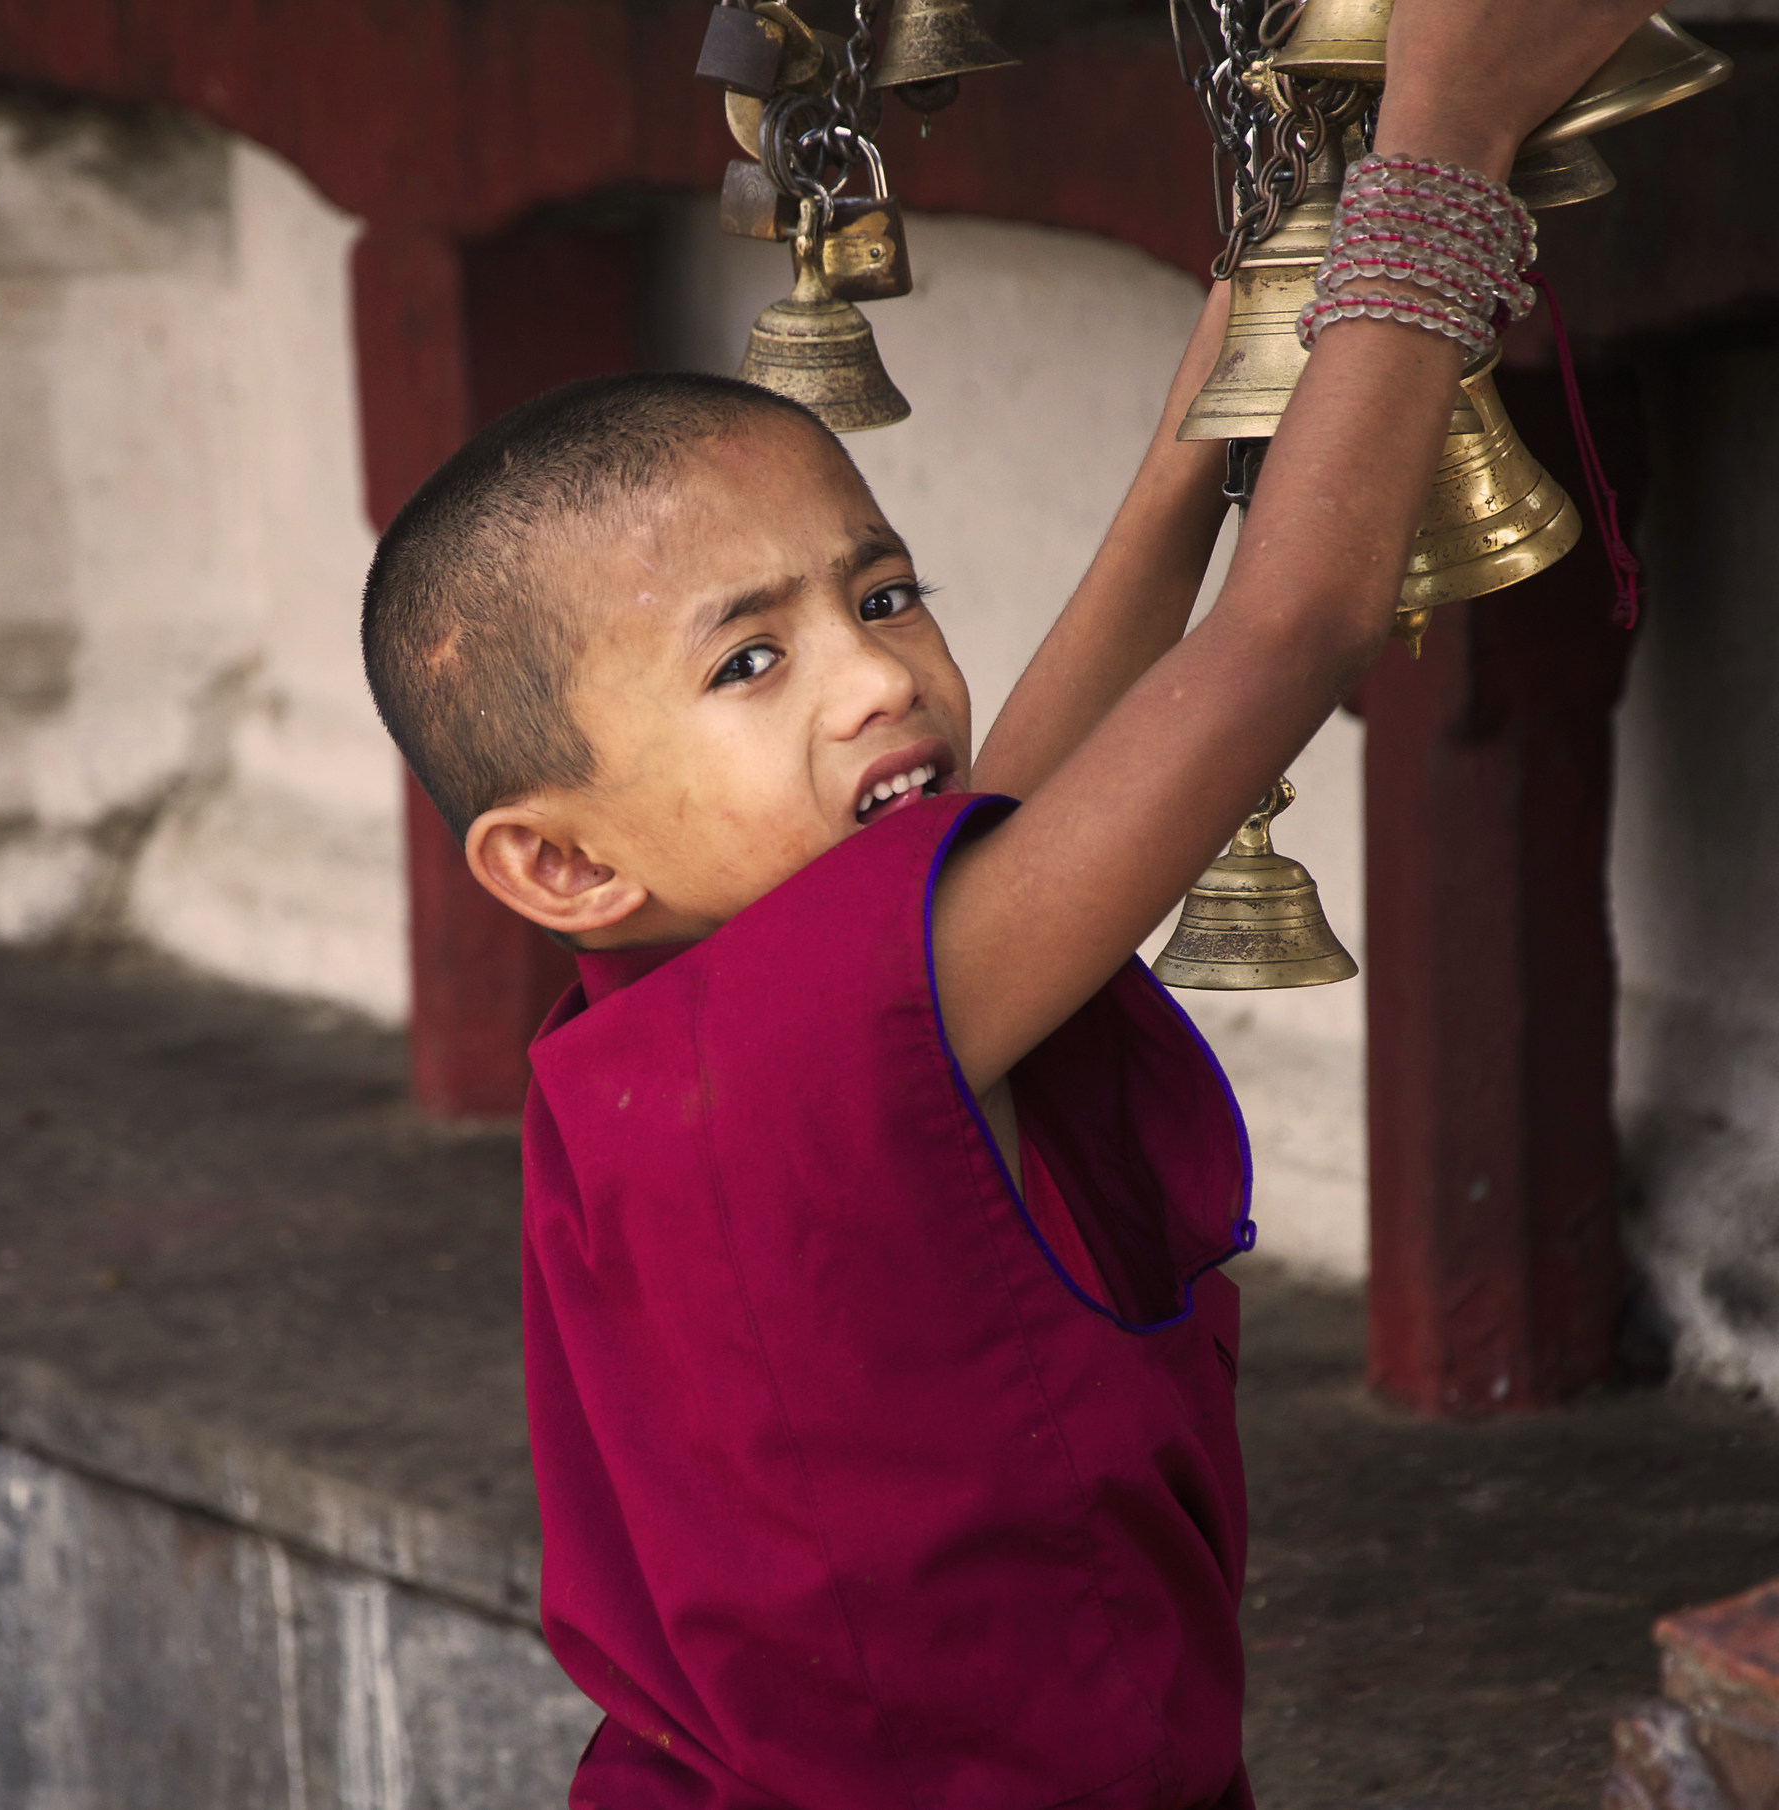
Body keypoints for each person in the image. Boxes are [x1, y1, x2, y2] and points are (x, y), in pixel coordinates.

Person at [360, 1, 1661, 1801]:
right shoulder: (811, 1034)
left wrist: (1214, 414)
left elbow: (1026, 810)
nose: (875, 678)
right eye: (751, 661)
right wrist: (1447, 144)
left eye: (884, 596)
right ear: (562, 861)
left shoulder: (700, 1023)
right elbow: (1287, 641)